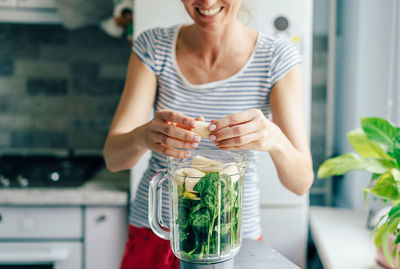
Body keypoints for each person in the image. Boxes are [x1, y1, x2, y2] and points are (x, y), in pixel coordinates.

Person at [103, 0, 314, 268]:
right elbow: (114, 159)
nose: (207, 2)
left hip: (230, 240)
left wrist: (274, 139)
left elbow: (301, 183)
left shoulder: (276, 57)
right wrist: (144, 136)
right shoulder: (153, 46)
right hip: (157, 234)